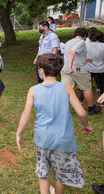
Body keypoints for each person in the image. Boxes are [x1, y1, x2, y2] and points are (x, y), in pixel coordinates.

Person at [16, 53, 93, 194]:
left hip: (42, 139)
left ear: (41, 70)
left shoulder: (33, 90)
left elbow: (26, 114)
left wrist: (19, 133)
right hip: (63, 140)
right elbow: (82, 113)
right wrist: (86, 125)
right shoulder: (67, 87)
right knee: (61, 175)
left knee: (43, 171)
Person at [61, 27, 101, 115]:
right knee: (86, 88)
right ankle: (91, 108)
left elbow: (74, 56)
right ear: (85, 35)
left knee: (65, 90)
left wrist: (86, 59)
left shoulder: (68, 42)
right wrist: (71, 67)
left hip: (66, 70)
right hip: (78, 70)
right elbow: (72, 53)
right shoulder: (82, 42)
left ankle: (62, 109)